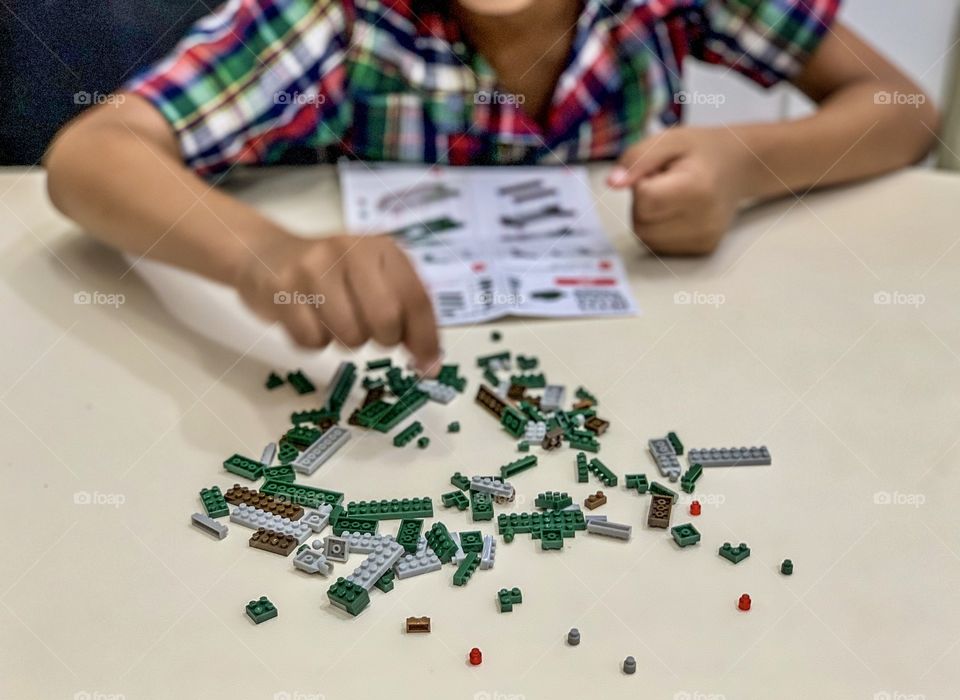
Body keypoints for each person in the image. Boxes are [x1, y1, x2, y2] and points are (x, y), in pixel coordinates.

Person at [44, 0, 939, 371]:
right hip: (391, 366)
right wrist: (266, 254)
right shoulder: (337, 18)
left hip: (649, 358)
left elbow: (902, 109)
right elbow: (93, 153)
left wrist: (747, 165)